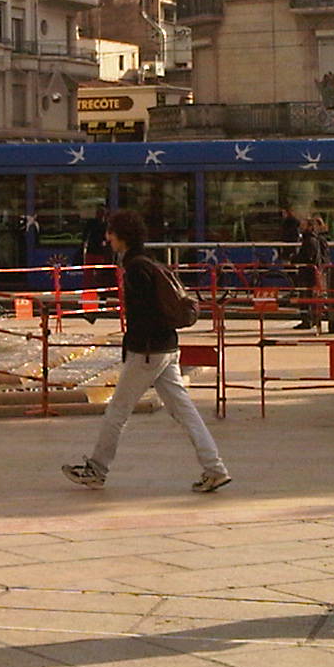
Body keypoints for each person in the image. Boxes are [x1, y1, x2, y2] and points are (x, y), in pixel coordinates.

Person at [62, 209, 230, 494]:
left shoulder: (136, 269)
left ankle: (97, 469)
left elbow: (144, 314)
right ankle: (215, 469)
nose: (107, 238)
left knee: (117, 410)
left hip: (147, 351)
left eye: (111, 233)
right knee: (184, 411)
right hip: (167, 347)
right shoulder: (148, 262)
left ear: (122, 237)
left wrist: (134, 345)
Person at [291, 214, 329, 331]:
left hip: (308, 274)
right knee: (309, 297)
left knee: (306, 297)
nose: (300, 227)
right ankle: (310, 320)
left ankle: (307, 320)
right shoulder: (310, 239)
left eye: (303, 225)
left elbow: (308, 256)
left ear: (309, 226)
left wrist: (295, 258)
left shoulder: (310, 240)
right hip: (310, 273)